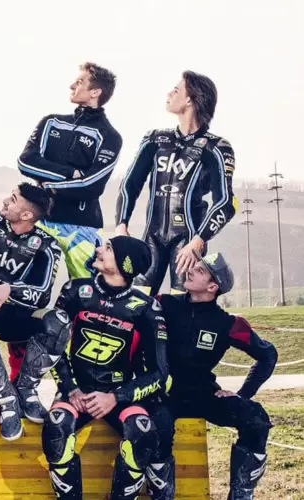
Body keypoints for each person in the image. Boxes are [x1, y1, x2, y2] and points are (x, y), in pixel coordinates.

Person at [42, 236, 171, 499]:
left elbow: (160, 374)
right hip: (76, 391)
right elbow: (51, 346)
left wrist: (116, 397)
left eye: (109, 248)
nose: (99, 249)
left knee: (142, 432)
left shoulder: (147, 308)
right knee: (56, 427)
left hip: (119, 395)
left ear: (125, 263)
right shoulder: (75, 290)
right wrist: (70, 388)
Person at [147, 253, 277, 500]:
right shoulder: (163, 303)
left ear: (212, 287)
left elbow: (268, 355)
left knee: (256, 419)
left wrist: (242, 395)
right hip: (165, 394)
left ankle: (241, 494)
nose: (190, 270)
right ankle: (162, 494)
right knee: (156, 426)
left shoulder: (228, 323)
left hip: (203, 394)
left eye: (200, 270)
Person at [0, 183, 69, 441]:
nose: (6, 200)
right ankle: (5, 396)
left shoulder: (47, 245)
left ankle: (26, 388)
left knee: (59, 322)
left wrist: (9, 289)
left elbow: (43, 293)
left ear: (27, 215)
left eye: (14, 199)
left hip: (18, 317)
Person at [115, 70, 237, 296]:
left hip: (188, 242)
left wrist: (198, 241)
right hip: (151, 238)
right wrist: (121, 225)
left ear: (190, 100)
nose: (169, 94)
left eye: (176, 90)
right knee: (136, 303)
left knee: (182, 307)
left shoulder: (217, 147)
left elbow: (226, 202)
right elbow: (129, 184)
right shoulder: (155, 139)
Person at [17, 62, 122, 280]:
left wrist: (49, 185)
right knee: (24, 282)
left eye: (80, 82)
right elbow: (25, 162)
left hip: (83, 226)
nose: (72, 85)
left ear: (95, 92)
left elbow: (92, 186)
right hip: (42, 220)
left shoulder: (110, 136)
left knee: (89, 291)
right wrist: (71, 173)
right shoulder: (51, 122)